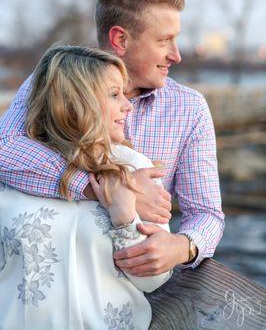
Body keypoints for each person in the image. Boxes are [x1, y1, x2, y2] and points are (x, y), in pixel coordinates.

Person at [0, 0, 224, 276]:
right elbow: (5, 150)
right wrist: (109, 189)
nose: (177, 55)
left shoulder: (190, 109)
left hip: (136, 290)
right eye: (164, 40)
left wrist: (185, 245)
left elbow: (207, 214)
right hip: (49, 276)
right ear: (120, 39)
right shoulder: (55, 83)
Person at [0, 44, 172, 329]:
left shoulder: (134, 168)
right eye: (114, 95)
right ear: (76, 101)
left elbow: (153, 280)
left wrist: (124, 218)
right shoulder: (13, 170)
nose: (128, 105)